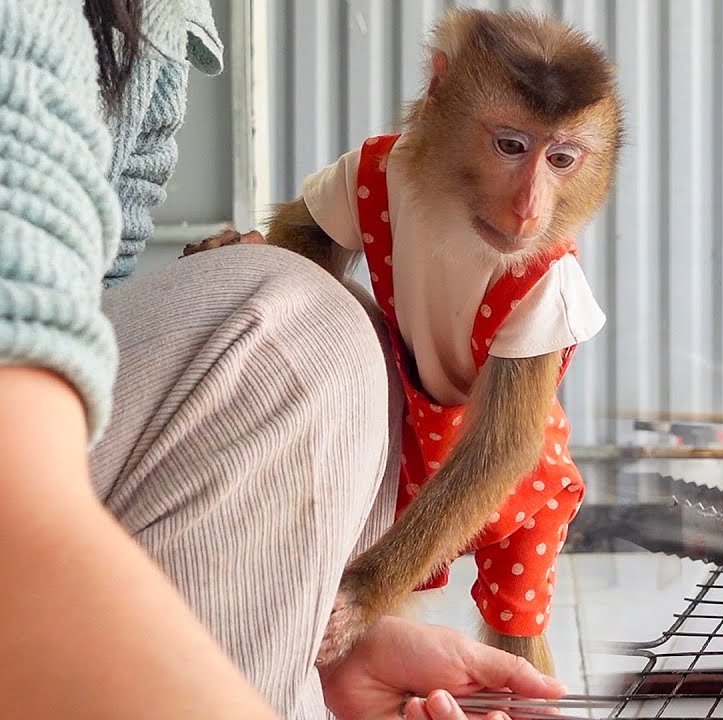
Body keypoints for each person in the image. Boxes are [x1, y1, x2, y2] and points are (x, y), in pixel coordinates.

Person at [0, 1, 566, 718]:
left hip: (508, 477)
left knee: (351, 333)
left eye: (561, 160)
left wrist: (321, 629)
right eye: (510, 146)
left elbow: (93, 285)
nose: (528, 207)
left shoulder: (546, 281)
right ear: (439, 89)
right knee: (295, 329)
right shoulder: (377, 176)